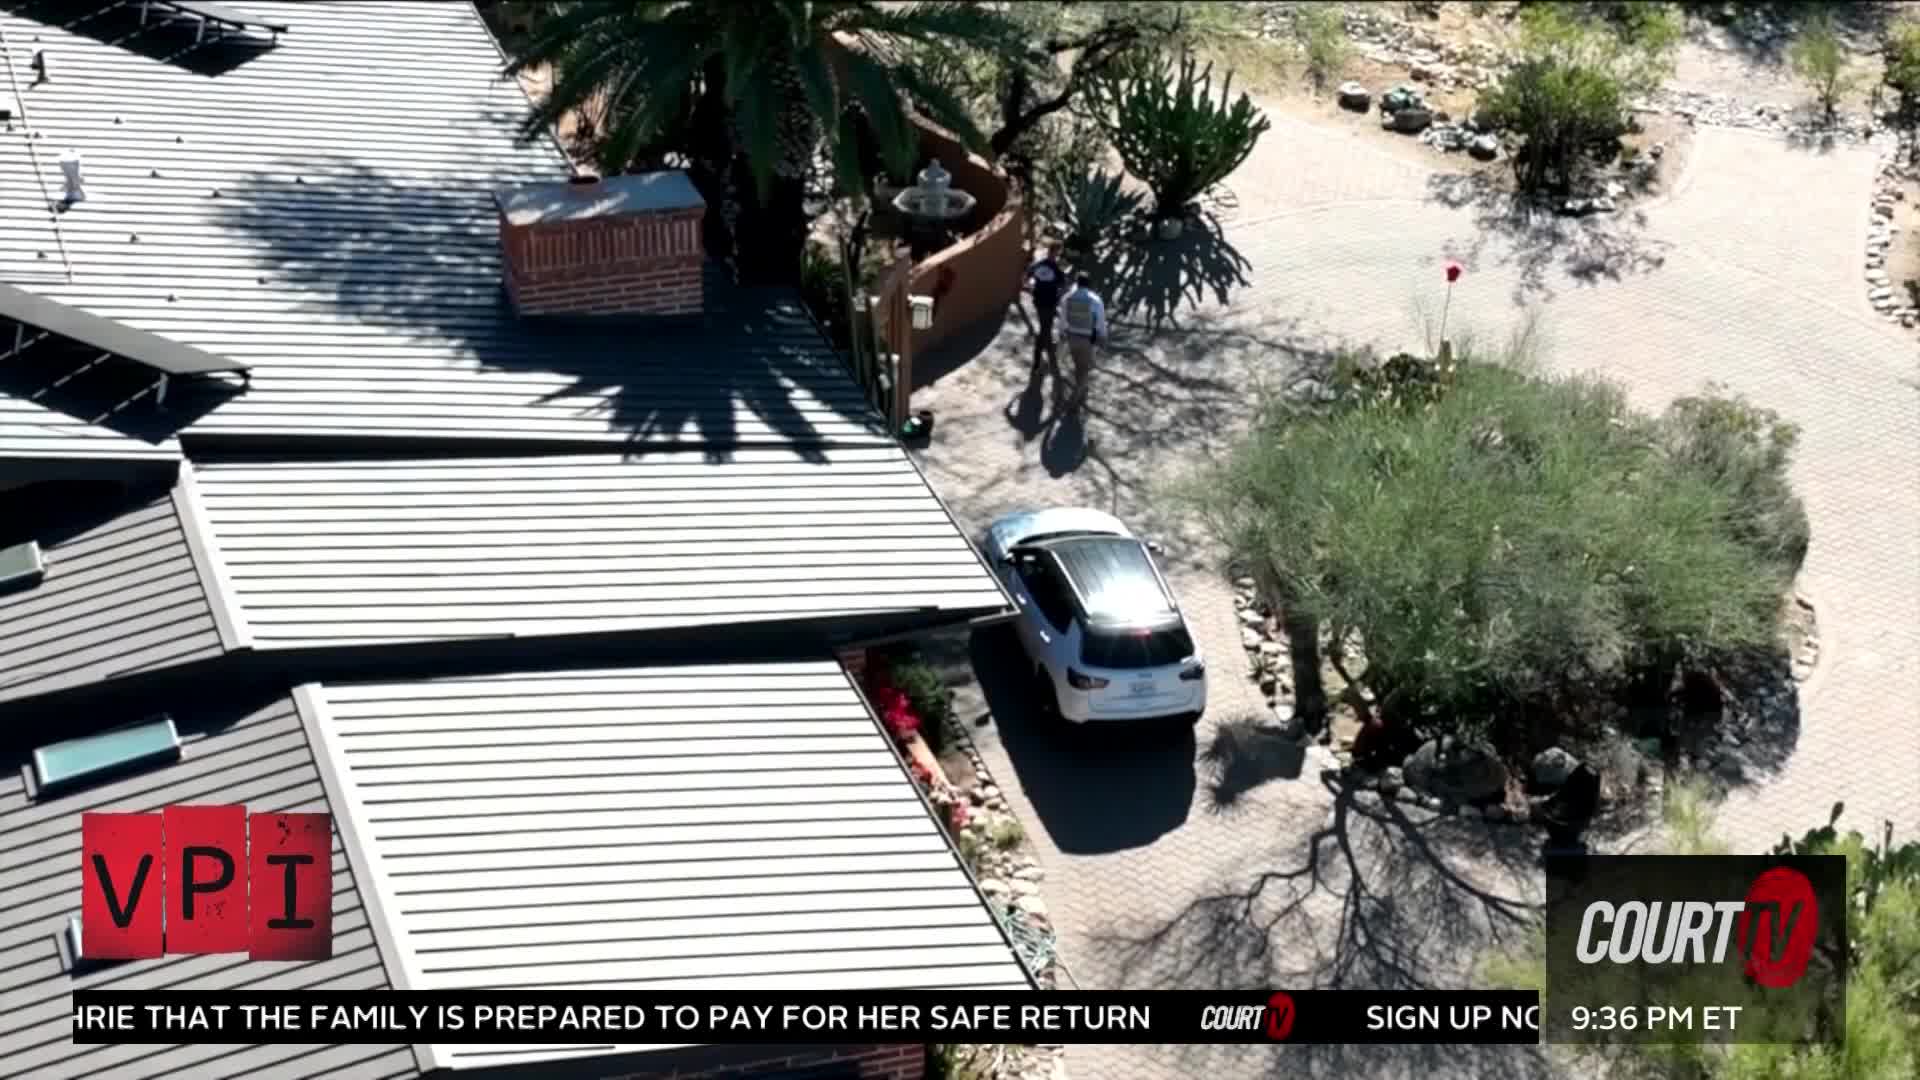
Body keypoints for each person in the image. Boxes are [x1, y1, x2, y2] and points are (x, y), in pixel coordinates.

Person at [1059, 273, 1107, 396]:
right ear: (1089, 284)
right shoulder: (1095, 299)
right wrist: (1103, 337)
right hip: (1088, 339)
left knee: (1078, 366)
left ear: (1077, 283)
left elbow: (1063, 319)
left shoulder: (1067, 298)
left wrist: (1062, 334)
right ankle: (1077, 394)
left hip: (1072, 337)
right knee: (1084, 368)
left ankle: (1080, 388)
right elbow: (1101, 321)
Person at [1023, 243, 1064, 368]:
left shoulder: (1039, 264)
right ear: (1056, 252)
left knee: (1046, 325)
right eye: (1058, 251)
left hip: (1039, 301)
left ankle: (1046, 344)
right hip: (1049, 302)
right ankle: (1037, 357)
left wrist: (1032, 288)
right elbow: (1062, 285)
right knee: (1045, 328)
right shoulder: (1056, 268)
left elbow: (1026, 277)